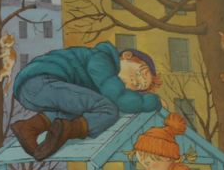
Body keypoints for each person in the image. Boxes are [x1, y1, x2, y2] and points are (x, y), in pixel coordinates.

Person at [10, 41, 165, 161]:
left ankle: (29, 127)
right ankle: (68, 130)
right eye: (138, 73)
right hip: (41, 81)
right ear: (127, 56)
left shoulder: (101, 86)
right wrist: (154, 102)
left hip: (33, 92)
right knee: (108, 109)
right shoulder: (102, 59)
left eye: (138, 86)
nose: (133, 81)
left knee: (80, 109)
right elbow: (118, 97)